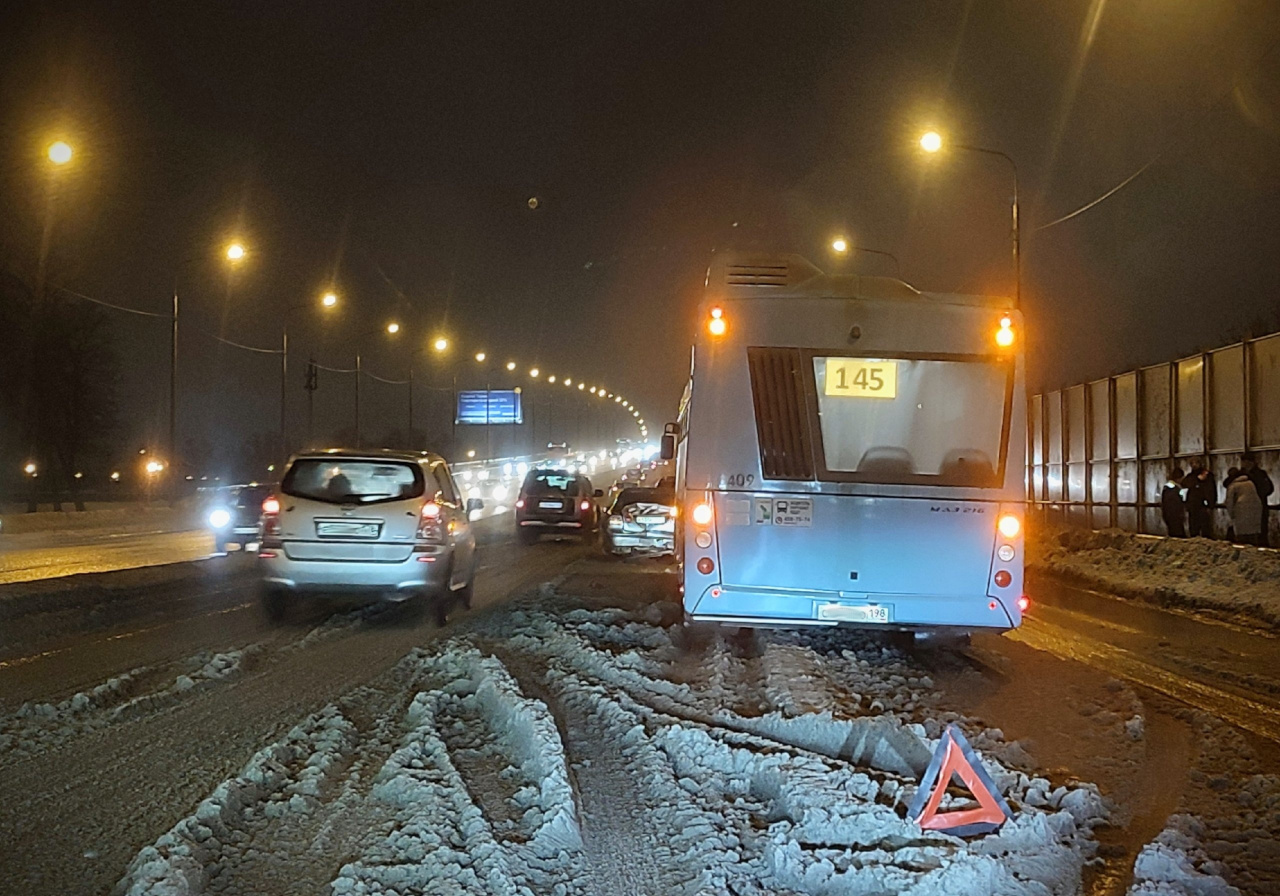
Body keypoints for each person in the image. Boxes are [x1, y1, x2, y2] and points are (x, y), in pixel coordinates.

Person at [1242, 453, 1274, 547]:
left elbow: (1268, 489)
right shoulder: (1242, 474)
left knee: (1260, 531)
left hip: (1256, 507)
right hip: (1250, 508)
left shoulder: (1259, 474)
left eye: (1247, 462)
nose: (1245, 464)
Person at [1226, 469, 1264, 547]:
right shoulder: (1251, 483)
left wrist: (1231, 515)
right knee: (1253, 534)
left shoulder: (1233, 486)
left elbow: (1229, 502)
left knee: (1242, 536)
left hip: (1240, 511)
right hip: (1256, 510)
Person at [1183, 464, 1216, 539]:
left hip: (1201, 506)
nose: (1194, 465)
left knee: (1204, 528)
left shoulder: (1207, 476)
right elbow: (1184, 484)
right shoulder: (1191, 477)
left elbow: (1211, 491)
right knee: (1196, 528)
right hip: (1195, 506)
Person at [1161, 467, 1186, 538]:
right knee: (1177, 534)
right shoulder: (1174, 488)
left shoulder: (1168, 487)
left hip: (1170, 515)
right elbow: (1175, 503)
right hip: (1174, 516)